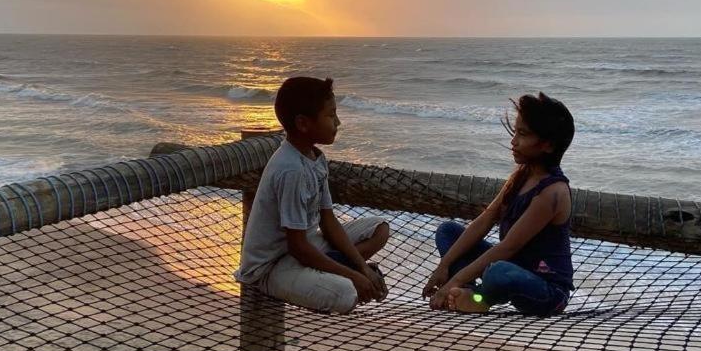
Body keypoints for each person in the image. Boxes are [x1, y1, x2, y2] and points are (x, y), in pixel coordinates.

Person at [235, 76, 390, 313]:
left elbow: (328, 221)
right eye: (330, 115)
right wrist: (355, 276)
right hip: (272, 266)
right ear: (303, 124)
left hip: (309, 245)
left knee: (380, 229)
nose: (338, 122)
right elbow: (297, 246)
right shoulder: (291, 170)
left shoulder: (315, 158)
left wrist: (361, 268)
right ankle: (335, 275)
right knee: (347, 294)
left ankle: (332, 271)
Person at [423, 92, 575, 315]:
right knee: (448, 231)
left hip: (546, 291)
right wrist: (443, 266)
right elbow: (485, 220)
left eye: (522, 134)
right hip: (513, 267)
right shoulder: (522, 176)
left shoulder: (552, 192)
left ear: (548, 145)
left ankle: (479, 298)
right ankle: (465, 292)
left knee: (499, 271)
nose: (513, 141)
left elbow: (508, 246)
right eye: (515, 132)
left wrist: (449, 283)